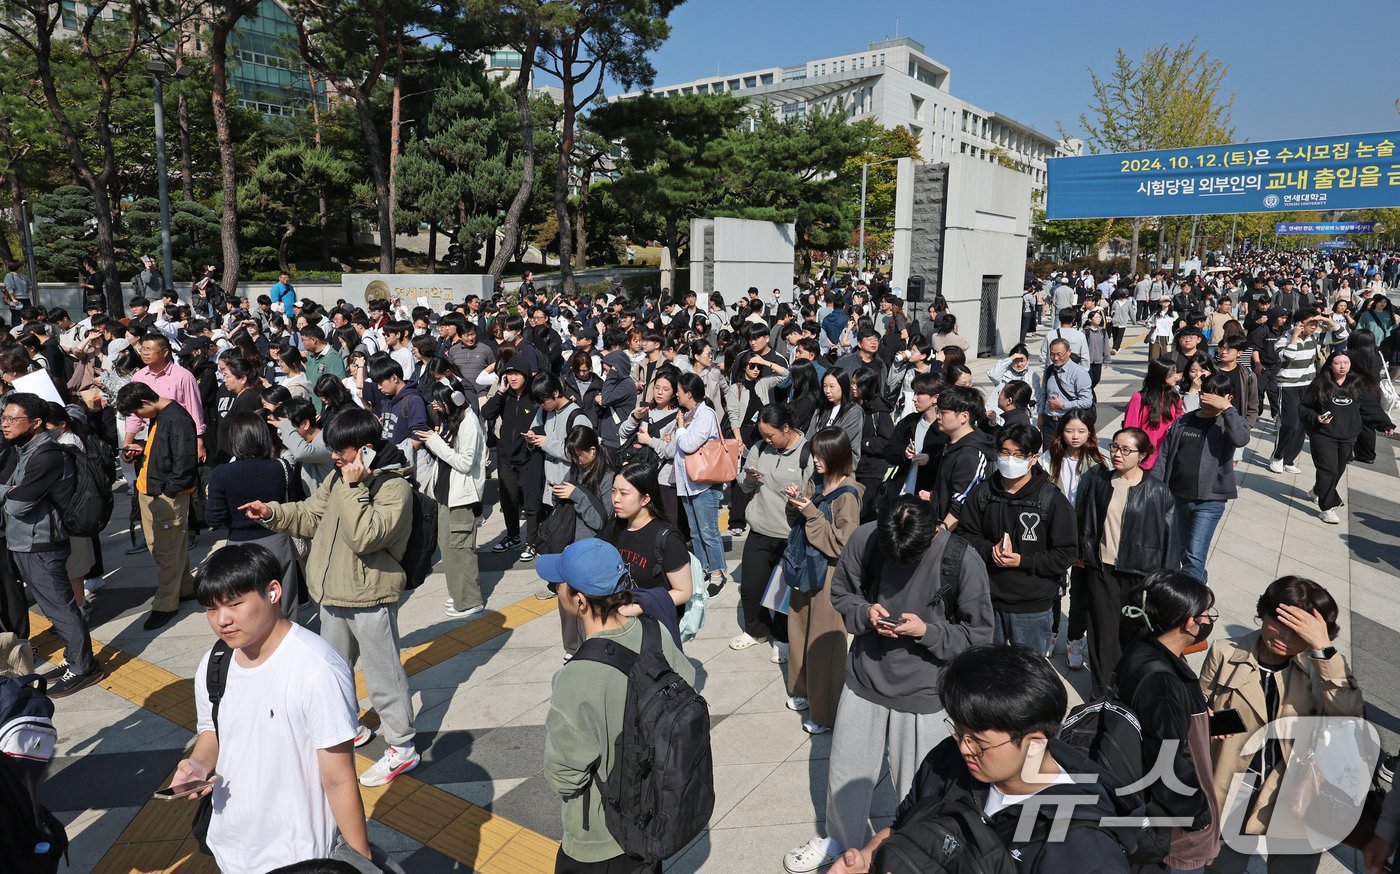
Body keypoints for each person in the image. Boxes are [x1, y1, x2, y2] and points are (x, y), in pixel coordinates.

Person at [784, 496, 992, 874]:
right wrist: (864, 613)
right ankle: (841, 843)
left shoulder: (961, 559)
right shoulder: (866, 539)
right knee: (846, 772)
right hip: (865, 677)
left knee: (921, 789)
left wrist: (927, 631)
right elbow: (841, 594)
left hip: (926, 691)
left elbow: (979, 635)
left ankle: (915, 852)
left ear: (932, 535)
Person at [829, 644, 1131, 874]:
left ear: (1035, 742)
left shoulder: (1084, 847)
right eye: (959, 732)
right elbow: (902, 827)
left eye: (978, 742)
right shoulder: (947, 761)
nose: (963, 747)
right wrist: (866, 857)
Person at [238, 408, 419, 787]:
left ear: (366, 450)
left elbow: (366, 536)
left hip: (370, 595)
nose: (334, 458)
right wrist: (271, 512)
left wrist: (354, 489)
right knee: (333, 672)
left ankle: (402, 747)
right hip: (332, 591)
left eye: (342, 451)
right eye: (333, 450)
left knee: (383, 674)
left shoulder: (393, 486)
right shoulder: (338, 479)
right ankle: (348, 727)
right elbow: (311, 514)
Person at [173, 544, 371, 874]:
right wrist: (197, 764)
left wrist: (361, 861)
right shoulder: (215, 663)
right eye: (211, 609)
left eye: (235, 604)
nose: (222, 620)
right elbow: (213, 731)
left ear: (273, 592)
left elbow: (339, 778)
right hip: (230, 846)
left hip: (299, 854)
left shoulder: (317, 668)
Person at [541, 539, 696, 874]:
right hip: (653, 817)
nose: (556, 591)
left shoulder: (576, 677)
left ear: (580, 600)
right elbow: (688, 689)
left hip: (599, 839)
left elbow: (564, 778)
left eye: (558, 585)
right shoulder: (655, 634)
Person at [1200, 576, 1364, 874]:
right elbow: (1198, 711)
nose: (1285, 637)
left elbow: (1350, 716)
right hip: (1234, 786)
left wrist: (1323, 649)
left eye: (1298, 631)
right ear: (1263, 612)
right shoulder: (1224, 652)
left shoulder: (1323, 667)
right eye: (1278, 622)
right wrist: (1204, 721)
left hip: (1298, 789)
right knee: (1222, 868)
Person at [1115, 570, 1221, 873]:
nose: (1207, 621)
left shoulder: (1143, 645)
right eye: (1205, 615)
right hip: (1173, 829)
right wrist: (1199, 813)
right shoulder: (1160, 681)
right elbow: (1168, 762)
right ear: (1190, 622)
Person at [0, 394, 101, 696]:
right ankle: (74, 658)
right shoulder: (28, 449)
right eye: (3, 418)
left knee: (61, 608)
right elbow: (14, 493)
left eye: (12, 419)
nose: (4, 424)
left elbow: (18, 506)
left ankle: (83, 667)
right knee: (52, 606)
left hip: (41, 543)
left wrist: (10, 493)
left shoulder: (46, 455)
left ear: (35, 423)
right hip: (26, 541)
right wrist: (11, 491)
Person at [958, 423, 1078, 657]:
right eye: (1005, 453)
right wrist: (988, 550)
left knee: (1028, 674)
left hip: (1031, 606)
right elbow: (965, 534)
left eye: (1018, 455)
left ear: (1033, 458)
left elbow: (1066, 553)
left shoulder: (1051, 499)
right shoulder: (983, 492)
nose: (1010, 460)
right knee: (987, 669)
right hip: (987, 599)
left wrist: (1023, 561)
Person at [1075, 427, 1177, 696]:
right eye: (1114, 448)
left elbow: (1170, 540)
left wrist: (1163, 581)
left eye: (1126, 450)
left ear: (1142, 455)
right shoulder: (1100, 483)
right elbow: (1087, 524)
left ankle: (1131, 688)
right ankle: (1101, 692)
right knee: (1101, 633)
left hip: (1139, 576)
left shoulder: (1157, 491)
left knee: (1134, 635)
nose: (1117, 454)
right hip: (1103, 571)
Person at [781, 426, 861, 735]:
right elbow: (800, 522)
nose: (815, 460)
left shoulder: (848, 495)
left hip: (829, 574)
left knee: (823, 642)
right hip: (804, 567)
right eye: (814, 454)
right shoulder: (817, 482)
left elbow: (843, 544)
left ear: (837, 456)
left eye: (821, 455)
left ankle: (826, 712)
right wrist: (796, 504)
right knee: (799, 631)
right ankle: (803, 691)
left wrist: (811, 512)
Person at [732, 404, 815, 660]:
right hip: (760, 528)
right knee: (751, 587)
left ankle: (783, 638)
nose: (767, 440)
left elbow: (813, 492)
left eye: (771, 435)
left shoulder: (808, 453)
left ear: (786, 428)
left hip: (789, 534)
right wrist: (749, 478)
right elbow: (744, 487)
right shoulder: (759, 449)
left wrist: (798, 497)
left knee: (783, 593)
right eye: (763, 435)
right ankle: (756, 631)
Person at [116, 380, 199, 630]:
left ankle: (165, 604)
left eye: (136, 412)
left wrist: (168, 491)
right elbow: (164, 451)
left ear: (145, 402)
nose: (137, 419)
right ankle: (183, 588)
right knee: (165, 547)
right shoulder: (161, 415)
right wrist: (140, 451)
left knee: (166, 550)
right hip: (151, 488)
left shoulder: (178, 418)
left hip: (164, 494)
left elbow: (185, 462)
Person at [1151, 373, 1250, 581]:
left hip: (1210, 500)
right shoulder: (1184, 421)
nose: (1207, 399)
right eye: (1204, 394)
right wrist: (1155, 489)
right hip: (1178, 497)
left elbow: (1241, 439)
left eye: (1214, 396)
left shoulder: (1228, 423)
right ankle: (1199, 597)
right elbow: (1164, 456)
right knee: (1184, 553)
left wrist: (1228, 410)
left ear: (1227, 398)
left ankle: (1190, 608)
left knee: (1194, 555)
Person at [205, 413, 304, 614]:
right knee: (284, 603)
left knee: (243, 603)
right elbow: (293, 504)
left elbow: (213, 518)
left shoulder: (222, 473)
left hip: (238, 544)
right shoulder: (281, 467)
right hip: (277, 540)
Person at [414, 381, 486, 618]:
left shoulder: (469, 424)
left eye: (437, 401)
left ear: (451, 400)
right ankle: (459, 593)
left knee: (460, 549)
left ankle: (469, 600)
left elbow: (464, 463)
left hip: (460, 498)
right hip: (447, 495)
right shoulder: (454, 419)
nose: (434, 405)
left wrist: (433, 442)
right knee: (450, 549)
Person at [1299, 350, 1395, 524]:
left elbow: (1369, 407)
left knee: (1338, 470)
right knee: (1328, 469)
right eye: (1338, 363)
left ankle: (1318, 490)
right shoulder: (1320, 383)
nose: (1342, 366)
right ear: (1330, 364)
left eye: (1346, 362)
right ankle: (1328, 508)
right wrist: (1316, 418)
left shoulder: (1356, 383)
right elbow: (1305, 408)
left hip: (1348, 435)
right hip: (1323, 435)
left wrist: (1385, 424)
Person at [1040, 410, 1103, 668]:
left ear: (1090, 433)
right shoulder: (1049, 459)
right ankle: (1051, 632)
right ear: (1060, 432)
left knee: (1081, 592)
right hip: (1053, 533)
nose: (1075, 436)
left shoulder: (1098, 464)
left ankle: (1075, 638)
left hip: (1084, 537)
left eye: (1081, 431)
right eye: (1069, 431)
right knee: (1052, 588)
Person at [673, 372, 727, 595]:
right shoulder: (689, 414)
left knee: (708, 531)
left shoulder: (705, 414)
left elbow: (688, 444)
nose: (676, 395)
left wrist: (679, 428)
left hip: (704, 483)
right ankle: (703, 568)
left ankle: (717, 572)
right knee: (695, 531)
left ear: (689, 393)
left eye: (678, 391)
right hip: (688, 483)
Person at [482, 357, 541, 556]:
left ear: (526, 375)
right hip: (506, 455)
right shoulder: (504, 395)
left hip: (529, 455)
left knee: (531, 501)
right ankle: (513, 536)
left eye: (517, 374)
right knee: (508, 499)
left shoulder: (535, 396)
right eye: (509, 374)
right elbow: (486, 412)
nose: (513, 378)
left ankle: (532, 541)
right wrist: (500, 392)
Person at [1269, 310, 1327, 475]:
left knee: (1303, 424)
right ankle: (1277, 456)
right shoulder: (1283, 340)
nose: (1314, 327)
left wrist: (1322, 318)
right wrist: (1294, 336)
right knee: (1290, 422)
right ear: (1299, 324)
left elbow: (1341, 334)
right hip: (1288, 385)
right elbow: (1287, 357)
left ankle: (1289, 460)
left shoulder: (1315, 338)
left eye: (1316, 324)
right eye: (1311, 324)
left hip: (1308, 386)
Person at [930, 384, 995, 529]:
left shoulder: (970, 454)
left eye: (943, 412)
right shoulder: (952, 442)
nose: (938, 416)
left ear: (964, 417)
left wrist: (940, 532)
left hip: (957, 535)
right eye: (937, 410)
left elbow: (962, 502)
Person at [883, 371, 947, 501]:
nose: (914, 398)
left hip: (925, 496)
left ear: (935, 398)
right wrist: (903, 452)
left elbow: (950, 464)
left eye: (919, 394)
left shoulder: (946, 428)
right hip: (899, 493)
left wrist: (930, 460)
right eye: (914, 393)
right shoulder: (909, 422)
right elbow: (888, 451)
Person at [1124, 359, 1185, 471]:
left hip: (1167, 455)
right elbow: (1130, 430)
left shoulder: (1174, 397)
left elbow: (1179, 423)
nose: (1176, 377)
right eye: (1173, 373)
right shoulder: (1139, 398)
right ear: (1161, 375)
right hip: (1145, 459)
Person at [850, 365, 892, 522]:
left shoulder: (879, 410)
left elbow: (886, 441)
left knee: (864, 514)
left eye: (858, 384)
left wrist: (861, 444)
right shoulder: (853, 406)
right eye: (852, 383)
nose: (854, 388)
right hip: (853, 467)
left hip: (871, 471)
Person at [1038, 338, 1095, 432]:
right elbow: (1043, 394)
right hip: (1049, 422)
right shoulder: (1049, 370)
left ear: (1069, 352)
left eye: (1059, 354)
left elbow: (1087, 401)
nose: (1055, 358)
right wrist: (1040, 415)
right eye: (1052, 354)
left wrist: (1063, 405)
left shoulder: (1079, 373)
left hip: (1069, 422)